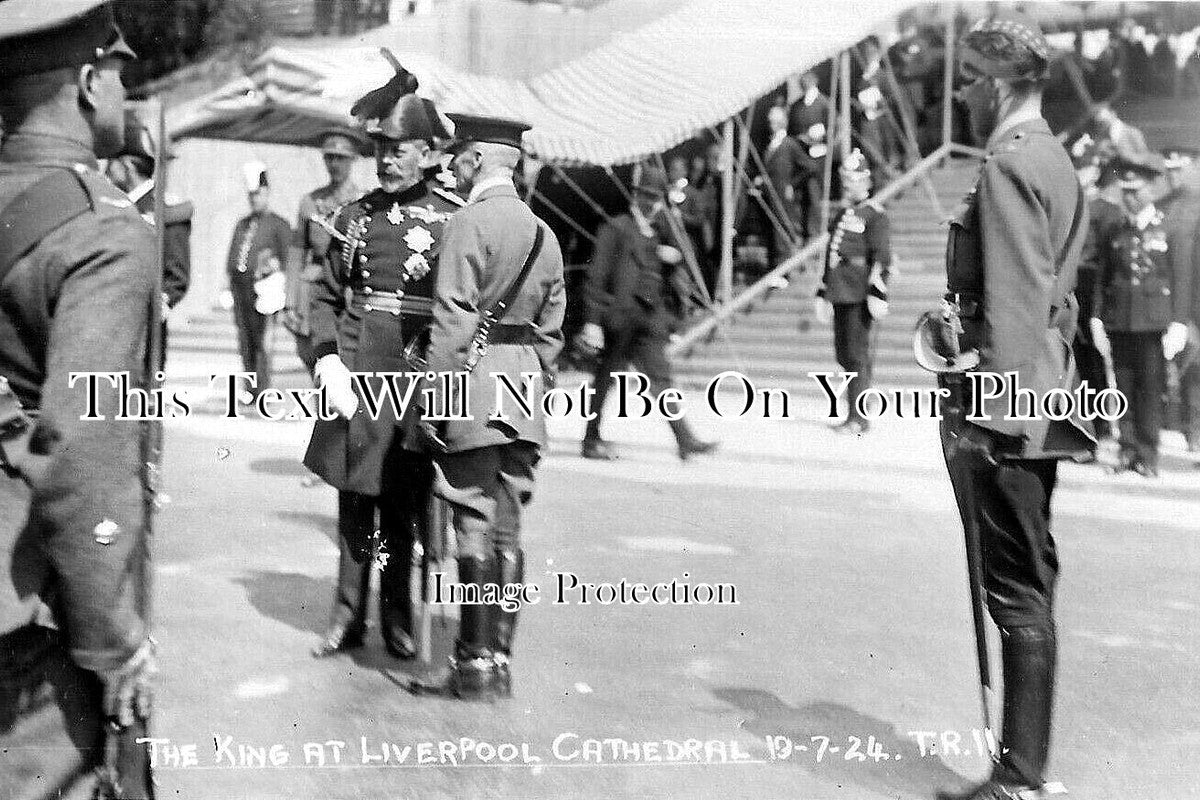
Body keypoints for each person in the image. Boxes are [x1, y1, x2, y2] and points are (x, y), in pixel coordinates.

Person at [0, 2, 157, 797]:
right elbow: (82, 455)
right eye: (122, 76)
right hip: (26, 607)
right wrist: (115, 638)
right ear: (92, 83)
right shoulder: (105, 230)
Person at [935, 13, 1093, 799]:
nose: (961, 93)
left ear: (997, 85)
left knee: (1016, 588)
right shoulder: (1055, 158)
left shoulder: (1006, 165)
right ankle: (1022, 767)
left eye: (968, 79)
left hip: (1009, 414)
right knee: (1030, 580)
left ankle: (1021, 776)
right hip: (1044, 400)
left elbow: (1018, 307)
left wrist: (987, 421)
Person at [303, 67, 462, 659]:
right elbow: (323, 293)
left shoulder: (452, 219)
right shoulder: (356, 218)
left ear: (427, 154)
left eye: (400, 152)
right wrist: (326, 360)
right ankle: (347, 613)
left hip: (414, 378)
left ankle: (397, 614)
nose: (388, 161)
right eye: (382, 151)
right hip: (357, 372)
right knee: (353, 500)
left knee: (403, 503)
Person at [416, 113, 566, 699]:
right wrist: (535, 382)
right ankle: (498, 660)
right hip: (523, 389)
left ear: (477, 160)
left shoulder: (466, 225)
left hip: (474, 387)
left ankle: (472, 664)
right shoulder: (544, 234)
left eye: (458, 157)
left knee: (472, 520)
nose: (453, 166)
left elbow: (452, 323)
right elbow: (552, 331)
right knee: (509, 524)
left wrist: (436, 401)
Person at [579, 165, 719, 462]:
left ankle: (684, 439)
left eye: (656, 199)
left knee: (661, 376)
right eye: (647, 198)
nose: (651, 205)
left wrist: (670, 254)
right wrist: (592, 322)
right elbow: (596, 276)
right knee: (605, 379)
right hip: (618, 319)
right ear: (635, 196)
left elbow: (680, 254)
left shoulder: (659, 231)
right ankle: (591, 440)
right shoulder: (615, 228)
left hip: (649, 317)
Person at [1091, 156, 1176, 476]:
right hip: (1120, 321)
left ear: (1150, 192)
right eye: (1125, 191)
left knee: (1150, 389)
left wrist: (1178, 321)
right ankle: (1127, 450)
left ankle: (1148, 453)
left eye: (1136, 191)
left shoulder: (1163, 227)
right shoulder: (1115, 229)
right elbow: (1104, 275)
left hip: (1153, 324)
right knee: (1123, 388)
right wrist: (1098, 316)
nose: (1130, 197)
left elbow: (1178, 277)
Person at [106, 104, 193, 372]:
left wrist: (158, 305)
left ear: (127, 166)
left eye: (112, 164)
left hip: (146, 331)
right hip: (110, 324)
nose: (107, 171)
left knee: (142, 398)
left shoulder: (167, 211)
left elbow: (177, 276)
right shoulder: (114, 204)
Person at [814, 149, 891, 435]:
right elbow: (830, 254)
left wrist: (877, 292)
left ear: (867, 182)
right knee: (844, 354)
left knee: (857, 355)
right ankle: (852, 414)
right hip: (840, 289)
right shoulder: (843, 214)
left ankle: (859, 419)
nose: (848, 185)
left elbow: (882, 257)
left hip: (859, 291)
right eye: (845, 180)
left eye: (854, 180)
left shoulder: (875, 215)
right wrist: (823, 289)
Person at [285, 131, 363, 378]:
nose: (335, 164)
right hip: (315, 286)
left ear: (353, 160)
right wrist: (290, 301)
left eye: (341, 158)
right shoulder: (310, 202)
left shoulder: (363, 201)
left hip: (349, 288)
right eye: (330, 158)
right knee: (312, 355)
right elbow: (297, 252)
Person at [1069, 135, 1122, 443]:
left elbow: (1108, 260)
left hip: (1093, 289)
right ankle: (1080, 421)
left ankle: (1101, 424)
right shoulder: (1069, 205)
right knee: (1074, 356)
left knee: (1092, 356)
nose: (1081, 173)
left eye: (1087, 167)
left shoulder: (1106, 210)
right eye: (1078, 166)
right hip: (1069, 285)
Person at [226, 163, 291, 402]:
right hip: (241, 290)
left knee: (264, 343)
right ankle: (250, 387)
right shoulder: (242, 225)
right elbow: (232, 258)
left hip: (265, 293)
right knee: (246, 340)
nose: (255, 199)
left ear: (267, 193)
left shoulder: (279, 225)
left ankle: (262, 388)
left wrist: (274, 268)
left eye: (259, 194)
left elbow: (287, 261)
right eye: (251, 195)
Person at [1160, 149, 1200, 451]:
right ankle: (1192, 431)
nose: (1173, 175)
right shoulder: (1165, 207)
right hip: (1171, 304)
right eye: (1169, 170)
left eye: (1180, 168)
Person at [756, 105, 806, 267]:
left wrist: (792, 184)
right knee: (772, 228)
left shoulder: (789, 144)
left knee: (782, 228)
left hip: (782, 193)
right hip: (770, 193)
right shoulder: (770, 145)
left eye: (774, 122)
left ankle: (783, 266)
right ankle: (775, 266)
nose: (771, 125)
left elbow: (809, 167)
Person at [787, 70, 831, 242]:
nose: (804, 83)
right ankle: (803, 229)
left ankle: (814, 232)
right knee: (801, 194)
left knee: (814, 193)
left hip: (817, 155)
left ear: (814, 81)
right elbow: (792, 130)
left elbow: (834, 129)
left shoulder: (823, 103)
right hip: (800, 154)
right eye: (802, 81)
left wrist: (822, 137)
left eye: (807, 80)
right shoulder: (797, 105)